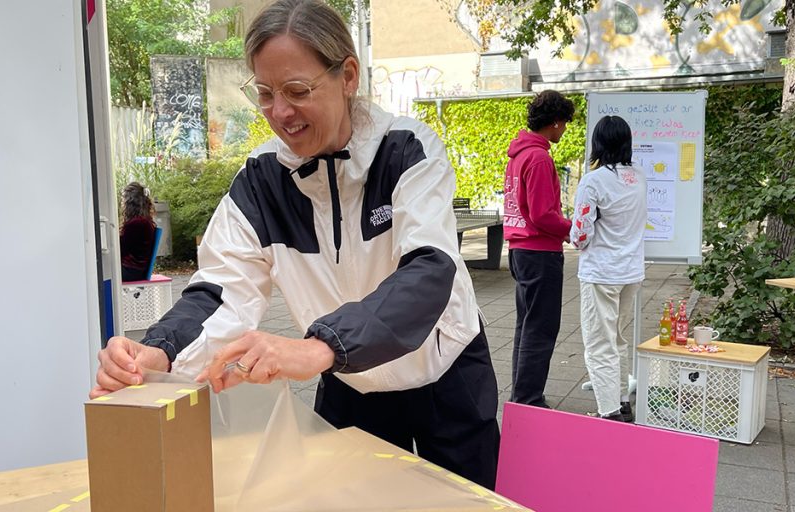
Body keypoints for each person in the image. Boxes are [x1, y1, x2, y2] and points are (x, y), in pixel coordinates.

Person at [90, 0, 499, 488]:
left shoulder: (408, 150)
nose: (280, 112)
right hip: (348, 382)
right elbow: (221, 289)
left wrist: (319, 346)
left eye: (297, 90)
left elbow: (430, 271)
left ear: (348, 76)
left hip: (444, 374)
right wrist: (159, 350)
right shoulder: (261, 181)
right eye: (264, 93)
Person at [569, 116, 646, 422]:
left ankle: (609, 412)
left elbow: (580, 235)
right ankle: (622, 401)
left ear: (597, 143)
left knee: (599, 345)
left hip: (601, 272)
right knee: (617, 339)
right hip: (631, 271)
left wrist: (577, 236)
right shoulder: (639, 176)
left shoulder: (593, 181)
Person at [502, 90, 574, 408]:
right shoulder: (540, 158)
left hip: (520, 249)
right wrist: (573, 229)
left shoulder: (518, 156)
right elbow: (544, 214)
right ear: (556, 122)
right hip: (540, 251)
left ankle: (523, 393)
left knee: (526, 325)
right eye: (565, 124)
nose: (565, 130)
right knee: (541, 327)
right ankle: (528, 398)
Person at [119, 182, 157, 282]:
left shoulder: (136, 223)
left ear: (130, 202)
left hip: (131, 270)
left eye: (124, 199)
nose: (122, 203)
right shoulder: (144, 221)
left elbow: (121, 250)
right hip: (137, 269)